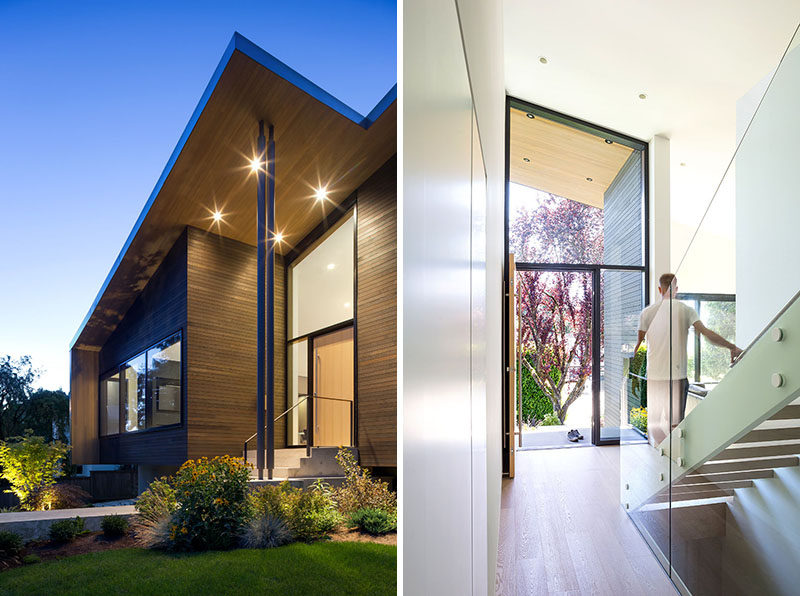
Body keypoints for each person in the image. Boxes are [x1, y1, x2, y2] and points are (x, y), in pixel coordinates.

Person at [634, 273, 742, 445]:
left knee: (654, 425)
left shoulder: (646, 313)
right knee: (676, 426)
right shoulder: (686, 310)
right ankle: (673, 456)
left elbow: (637, 346)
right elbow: (707, 334)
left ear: (659, 289)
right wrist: (732, 347)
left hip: (655, 378)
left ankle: (667, 455)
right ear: (676, 289)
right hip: (677, 378)